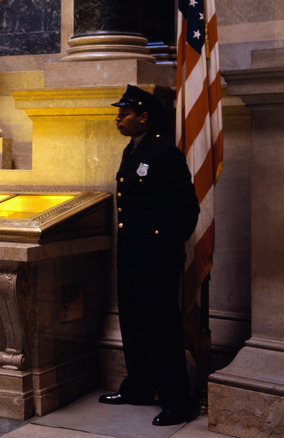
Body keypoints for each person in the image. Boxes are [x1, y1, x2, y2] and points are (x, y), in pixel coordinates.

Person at [98, 85, 200, 426]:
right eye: (119, 113)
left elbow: (187, 209)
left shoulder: (164, 154)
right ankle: (139, 386)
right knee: (134, 322)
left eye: (124, 113)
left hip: (156, 257)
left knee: (162, 327)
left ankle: (177, 401)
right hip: (131, 254)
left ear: (143, 116)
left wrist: (164, 246)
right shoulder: (132, 151)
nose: (118, 119)